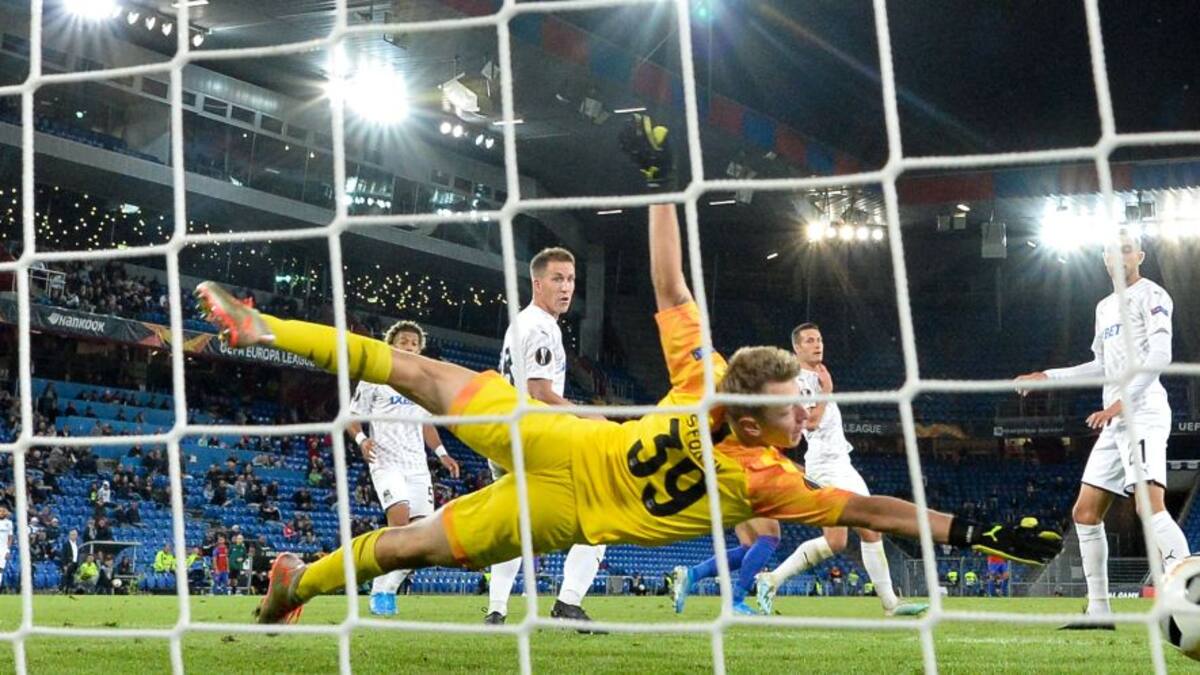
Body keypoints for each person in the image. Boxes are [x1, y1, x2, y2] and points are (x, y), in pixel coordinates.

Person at [196, 201, 1061, 627]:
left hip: (557, 445)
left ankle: (266, 343)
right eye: (792, 412)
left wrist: (657, 186)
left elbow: (670, 282)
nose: (805, 419)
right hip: (566, 500)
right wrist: (972, 530)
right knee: (410, 537)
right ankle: (296, 584)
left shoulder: (704, 377)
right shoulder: (764, 477)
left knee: (415, 389)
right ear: (754, 423)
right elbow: (876, 510)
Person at [1015, 231, 1188, 629]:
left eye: (1127, 249)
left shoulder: (1153, 295)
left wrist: (1121, 402)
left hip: (1142, 411)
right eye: (1112, 250)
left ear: (1139, 256)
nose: (1119, 255)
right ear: (1105, 259)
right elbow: (1100, 366)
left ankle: (1188, 591)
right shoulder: (1105, 307)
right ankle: (1098, 611)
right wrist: (1049, 375)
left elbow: (1161, 354)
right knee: (1085, 513)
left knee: (1149, 506)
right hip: (1115, 420)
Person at [754, 323, 927, 617]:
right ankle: (890, 604)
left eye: (820, 339)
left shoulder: (818, 374)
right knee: (869, 527)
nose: (817, 344)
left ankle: (771, 580)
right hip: (826, 465)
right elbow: (810, 423)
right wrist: (827, 392)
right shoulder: (798, 381)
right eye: (810, 340)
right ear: (797, 348)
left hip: (839, 462)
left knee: (838, 540)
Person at [486, 247, 607, 630]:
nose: (566, 287)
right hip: (533, 439)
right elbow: (539, 392)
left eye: (570, 279)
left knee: (515, 525)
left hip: (505, 436)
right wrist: (586, 413)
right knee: (601, 510)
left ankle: (496, 609)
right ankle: (568, 602)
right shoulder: (540, 327)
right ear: (537, 283)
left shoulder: (523, 323)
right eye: (557, 279)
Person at [345, 320, 459, 617]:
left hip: (417, 466)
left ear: (420, 349)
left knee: (423, 540)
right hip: (385, 461)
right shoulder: (375, 377)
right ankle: (379, 590)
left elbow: (426, 425)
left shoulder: (422, 383)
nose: (409, 346)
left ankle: (386, 587)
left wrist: (442, 454)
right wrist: (361, 440)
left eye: (414, 343)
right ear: (392, 345)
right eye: (403, 341)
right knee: (399, 525)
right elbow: (351, 418)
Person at [58, 529, 80, 593]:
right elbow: (63, 555)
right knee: (66, 576)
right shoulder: (66, 544)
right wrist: (64, 565)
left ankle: (69, 590)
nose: (74, 536)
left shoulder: (78, 544)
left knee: (71, 577)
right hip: (68, 563)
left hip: (75, 563)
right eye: (72, 534)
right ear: (69, 536)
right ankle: (61, 589)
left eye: (75, 534)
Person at [0, 506, 11, 593]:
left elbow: (10, 538)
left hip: (3, 548)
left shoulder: (9, 523)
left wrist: (8, 550)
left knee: (0, 568)